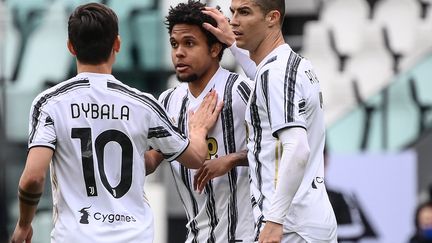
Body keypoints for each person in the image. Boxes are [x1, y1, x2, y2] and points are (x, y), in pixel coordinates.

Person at [10, 3, 222, 243]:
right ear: (117, 45)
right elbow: (195, 158)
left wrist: (24, 224)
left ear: (71, 47)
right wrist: (197, 130)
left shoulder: (49, 103)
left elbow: (32, 178)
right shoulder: (142, 104)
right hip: (133, 237)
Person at [201, 0, 338, 242]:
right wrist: (233, 44)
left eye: (244, 12)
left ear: (272, 18)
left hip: (290, 226)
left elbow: (297, 148)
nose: (233, 21)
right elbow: (263, 81)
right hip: (307, 220)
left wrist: (275, 221)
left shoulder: (275, 74)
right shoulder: (294, 65)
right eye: (232, 11)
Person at [146, 1, 255, 242]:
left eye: (189, 43)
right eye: (174, 44)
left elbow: (278, 148)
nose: (179, 52)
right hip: (197, 236)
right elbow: (151, 160)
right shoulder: (168, 101)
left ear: (215, 49)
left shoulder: (240, 91)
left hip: (246, 236)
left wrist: (233, 159)